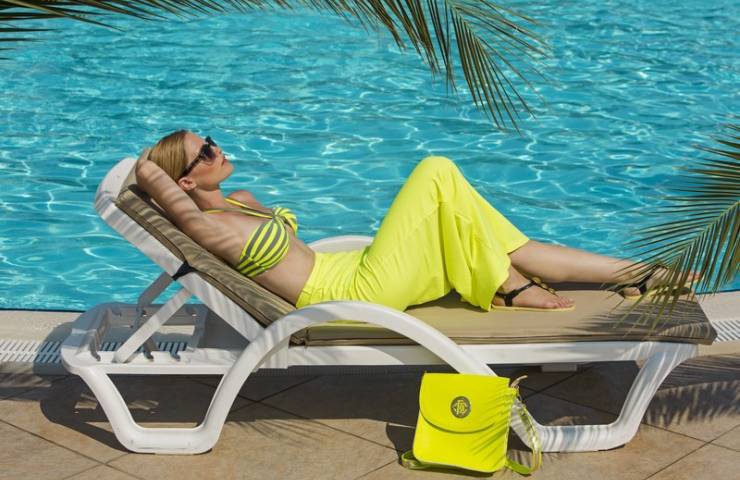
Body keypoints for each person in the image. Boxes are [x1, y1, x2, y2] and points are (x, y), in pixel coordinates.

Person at [134, 130, 691, 313]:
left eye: (210, 141)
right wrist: (144, 168)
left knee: (492, 237)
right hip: (353, 294)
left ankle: (636, 273)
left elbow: (180, 186)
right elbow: (157, 184)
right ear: (184, 183)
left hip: (355, 268)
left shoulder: (241, 201)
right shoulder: (209, 229)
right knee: (435, 170)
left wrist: (176, 167)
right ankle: (511, 285)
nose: (216, 150)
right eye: (203, 153)